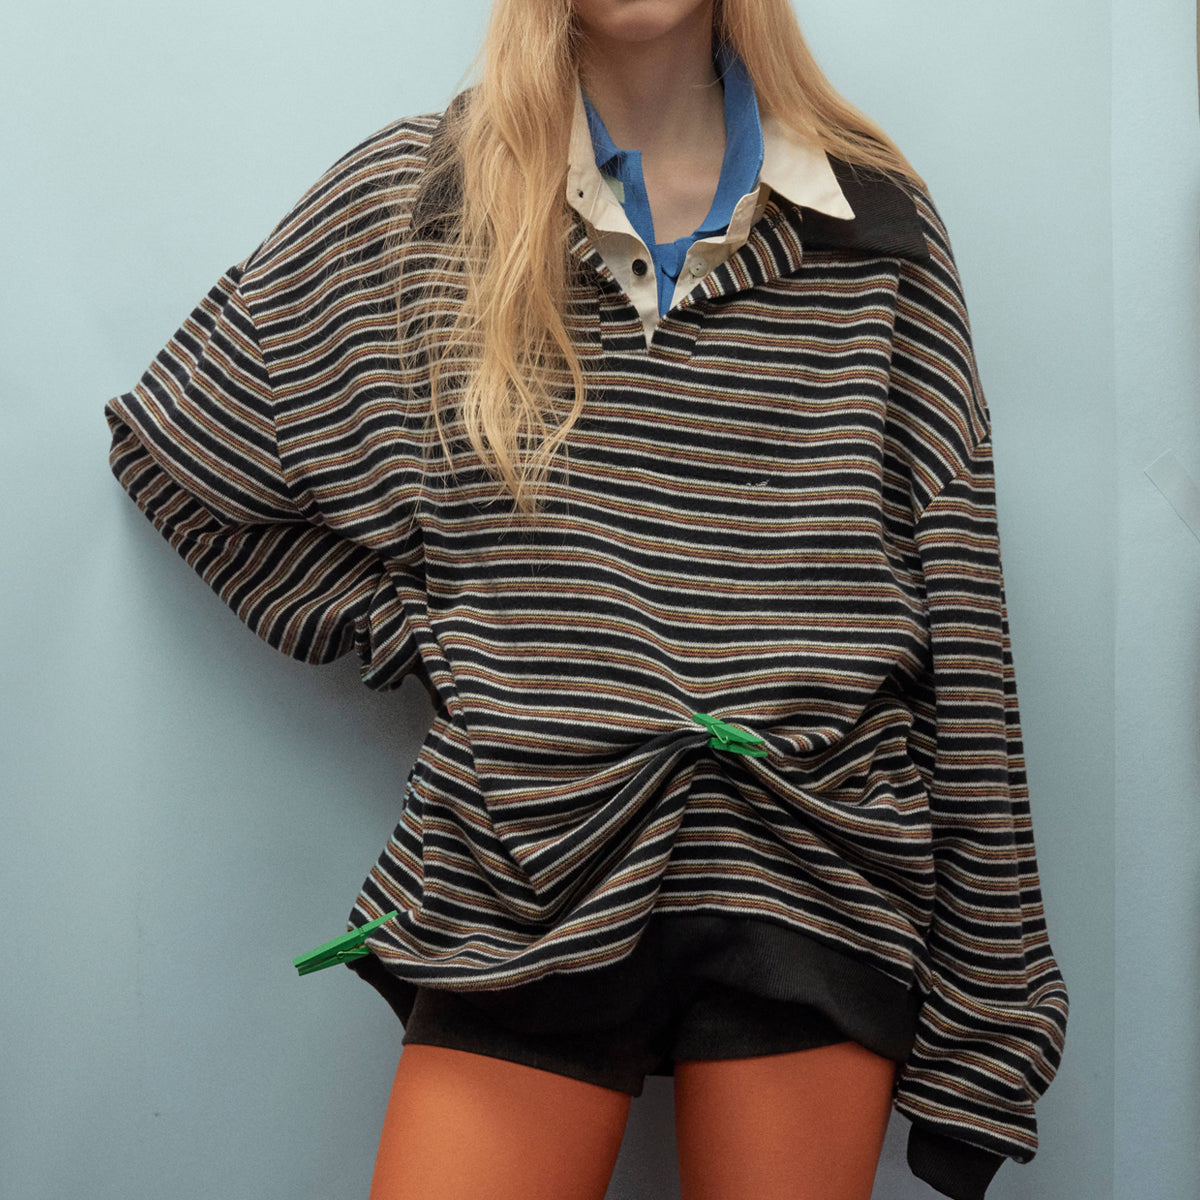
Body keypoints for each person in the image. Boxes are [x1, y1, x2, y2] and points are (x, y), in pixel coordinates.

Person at [104, 1, 1070, 1197]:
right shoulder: (423, 203)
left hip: (809, 870)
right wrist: (422, 635)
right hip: (524, 861)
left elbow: (965, 626)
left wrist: (991, 1010)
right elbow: (180, 458)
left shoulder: (871, 224)